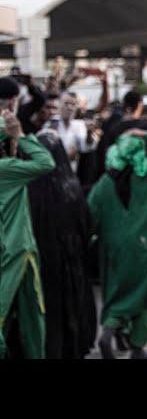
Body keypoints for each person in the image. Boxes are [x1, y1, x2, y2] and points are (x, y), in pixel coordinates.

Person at [88, 129, 147, 359]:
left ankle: (108, 330)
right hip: (146, 247)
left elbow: (90, 216)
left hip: (113, 249)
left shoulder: (105, 182)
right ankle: (137, 347)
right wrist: (145, 135)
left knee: (117, 292)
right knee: (146, 293)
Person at [27, 130, 97, 359]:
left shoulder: (29, 187)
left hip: (41, 263)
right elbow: (86, 225)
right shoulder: (72, 186)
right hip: (71, 261)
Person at [0, 109, 55, 359]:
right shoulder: (7, 169)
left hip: (12, 254)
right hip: (18, 253)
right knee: (32, 319)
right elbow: (46, 162)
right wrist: (20, 135)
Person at [46, 91, 100, 173]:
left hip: (71, 173)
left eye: (73, 104)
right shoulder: (50, 124)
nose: (70, 108)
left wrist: (89, 132)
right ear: (59, 104)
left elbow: (86, 147)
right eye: (66, 103)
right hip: (53, 173)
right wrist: (66, 155)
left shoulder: (79, 125)